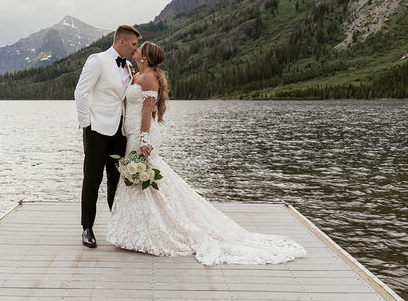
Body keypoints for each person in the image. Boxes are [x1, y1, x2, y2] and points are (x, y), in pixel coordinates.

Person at [107, 41, 307, 266]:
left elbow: (147, 110)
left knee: (146, 178)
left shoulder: (149, 77)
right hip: (131, 132)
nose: (136, 49)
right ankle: (137, 230)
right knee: (139, 180)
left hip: (142, 134)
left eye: (139, 48)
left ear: (146, 57)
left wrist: (144, 138)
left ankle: (159, 230)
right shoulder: (136, 75)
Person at [74, 24, 141, 248]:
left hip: (118, 132)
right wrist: (86, 124)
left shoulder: (129, 67)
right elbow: (80, 92)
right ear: (121, 41)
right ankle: (87, 228)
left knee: (116, 181)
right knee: (92, 180)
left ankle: (118, 227)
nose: (135, 48)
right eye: (133, 44)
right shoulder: (97, 60)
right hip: (96, 130)